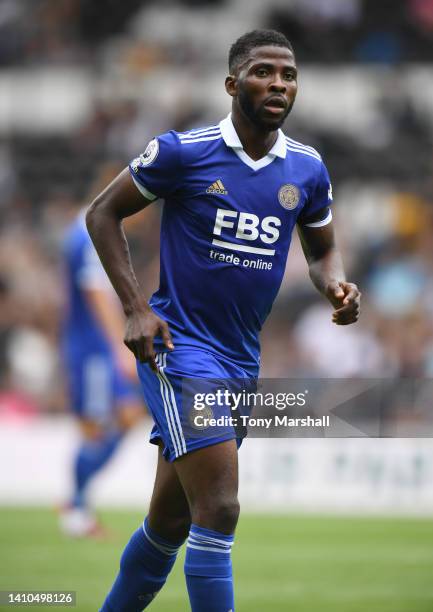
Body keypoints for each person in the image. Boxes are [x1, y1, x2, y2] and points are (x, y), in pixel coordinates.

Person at [86, 29, 360, 611]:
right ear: (234, 83)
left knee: (169, 523)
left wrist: (334, 283)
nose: (279, 84)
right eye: (264, 72)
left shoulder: (307, 168)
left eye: (288, 75)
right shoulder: (184, 152)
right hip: (180, 347)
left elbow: (320, 252)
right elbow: (102, 213)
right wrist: (135, 308)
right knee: (222, 508)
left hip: (240, 359)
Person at [60, 205, 143, 537]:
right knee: (104, 424)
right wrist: (119, 347)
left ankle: (76, 503)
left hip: (88, 346)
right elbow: (94, 291)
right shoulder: (89, 232)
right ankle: (76, 507)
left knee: (121, 417)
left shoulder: (80, 230)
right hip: (94, 350)